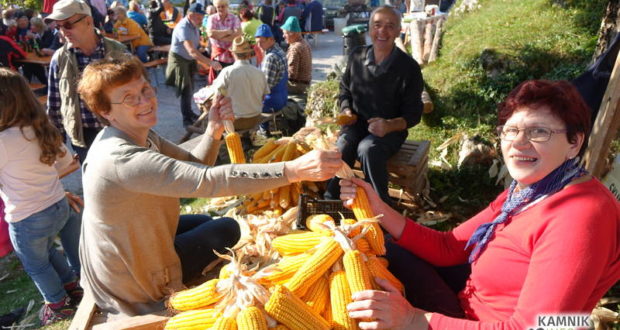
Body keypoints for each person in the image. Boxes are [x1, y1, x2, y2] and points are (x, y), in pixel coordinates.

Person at [339, 80, 620, 329]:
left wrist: (413, 319)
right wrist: (376, 206)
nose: (518, 143)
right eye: (511, 130)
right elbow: (448, 247)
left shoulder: (581, 217)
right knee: (382, 247)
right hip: (470, 303)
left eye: (538, 132)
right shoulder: (530, 190)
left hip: (478, 323)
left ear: (575, 143)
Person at [76, 55, 342, 318]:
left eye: (145, 89)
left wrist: (213, 130)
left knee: (203, 219)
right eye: (129, 98)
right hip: (131, 280)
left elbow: (195, 165)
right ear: (105, 111)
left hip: (125, 248)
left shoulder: (138, 135)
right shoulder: (121, 159)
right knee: (227, 228)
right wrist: (292, 171)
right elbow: (208, 180)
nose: (145, 101)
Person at [0, 68, 84, 326]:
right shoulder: (40, 128)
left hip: (27, 216)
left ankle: (58, 305)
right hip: (58, 205)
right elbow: (67, 163)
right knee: (45, 252)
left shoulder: (2, 140)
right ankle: (71, 287)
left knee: (36, 264)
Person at [324, 6, 423, 204]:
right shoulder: (356, 57)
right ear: (369, 29)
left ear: (398, 31)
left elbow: (414, 114)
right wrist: (346, 109)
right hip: (357, 124)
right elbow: (344, 90)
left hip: (390, 131)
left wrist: (388, 125)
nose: (382, 32)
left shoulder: (408, 68)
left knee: (368, 149)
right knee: (343, 145)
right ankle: (331, 199)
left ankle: (381, 206)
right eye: (377, 25)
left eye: (390, 26)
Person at [45, 0, 128, 163]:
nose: (62, 32)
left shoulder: (118, 51)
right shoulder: (59, 58)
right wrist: (57, 141)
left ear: (88, 21)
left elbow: (137, 92)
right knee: (97, 185)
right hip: (83, 136)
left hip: (120, 129)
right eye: (58, 27)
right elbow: (54, 104)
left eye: (67, 25)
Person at [166, 3, 222, 127]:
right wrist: (210, 63)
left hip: (188, 59)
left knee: (190, 88)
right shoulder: (183, 27)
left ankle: (190, 113)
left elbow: (195, 48)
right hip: (179, 60)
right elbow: (191, 51)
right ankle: (186, 120)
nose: (201, 19)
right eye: (199, 17)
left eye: (202, 16)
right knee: (186, 89)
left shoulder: (194, 25)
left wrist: (203, 49)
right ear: (190, 15)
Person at [211, 36, 269, 131]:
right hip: (255, 118)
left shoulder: (227, 72)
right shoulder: (260, 72)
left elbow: (217, 98)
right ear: (249, 54)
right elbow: (263, 97)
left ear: (233, 53)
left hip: (235, 122)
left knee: (212, 113)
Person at [255, 23, 287, 135]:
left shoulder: (270, 57)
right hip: (283, 97)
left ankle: (263, 132)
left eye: (261, 42)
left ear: (271, 39)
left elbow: (265, 86)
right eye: (257, 42)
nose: (259, 45)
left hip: (272, 101)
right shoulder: (280, 51)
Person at [206, 0, 241, 83]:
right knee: (217, 83)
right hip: (217, 57)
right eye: (218, 7)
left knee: (231, 83)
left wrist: (218, 36)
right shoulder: (212, 18)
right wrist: (227, 32)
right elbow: (210, 33)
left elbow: (238, 34)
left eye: (223, 6)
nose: (221, 8)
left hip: (231, 57)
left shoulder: (234, 18)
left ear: (227, 6)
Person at [281, 16, 311, 95]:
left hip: (298, 87)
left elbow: (291, 75)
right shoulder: (305, 43)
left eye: (285, 33)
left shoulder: (295, 48)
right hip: (306, 85)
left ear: (292, 34)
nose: (283, 36)